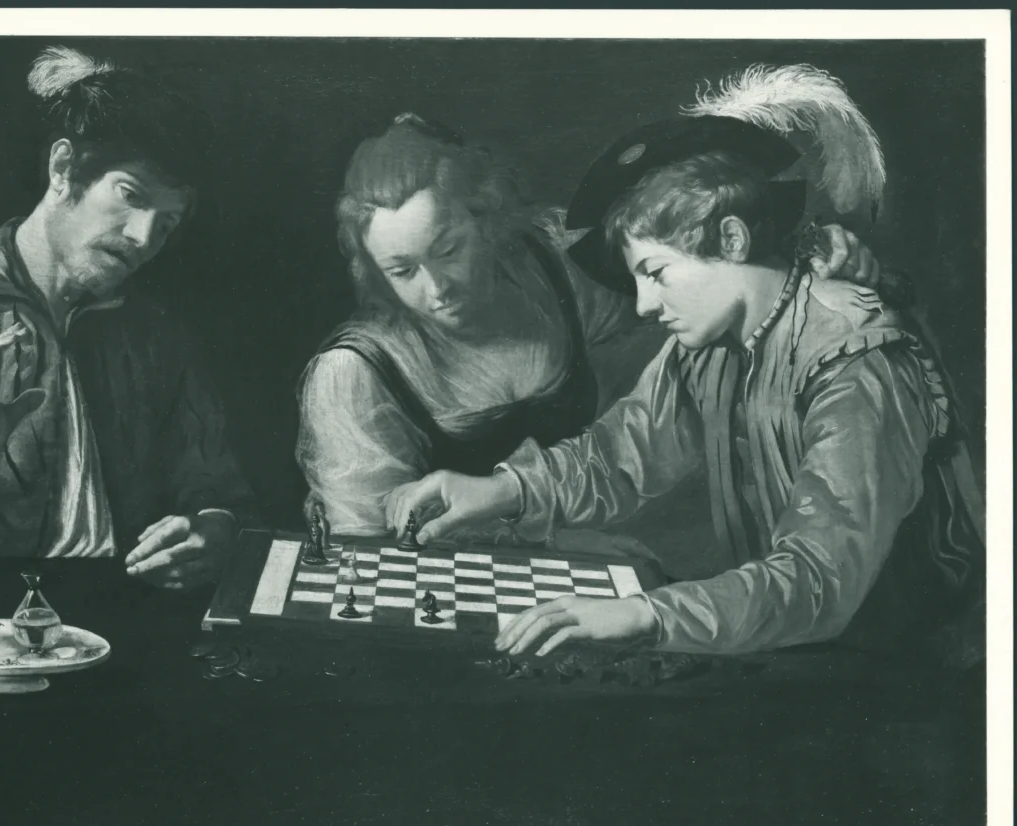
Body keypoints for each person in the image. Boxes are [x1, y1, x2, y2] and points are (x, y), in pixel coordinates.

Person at [383, 64, 984, 667]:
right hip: (791, 651)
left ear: (731, 240)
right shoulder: (710, 347)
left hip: (909, 672)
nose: (644, 305)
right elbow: (622, 454)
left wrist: (645, 613)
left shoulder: (858, 362)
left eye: (656, 273)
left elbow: (818, 581)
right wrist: (501, 490)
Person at [296, 112, 882, 551]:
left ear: (486, 220)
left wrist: (804, 253)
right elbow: (364, 555)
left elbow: (698, 269)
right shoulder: (352, 375)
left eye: (448, 250)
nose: (436, 287)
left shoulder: (551, 265)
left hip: (579, 559)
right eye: (402, 271)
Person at [0, 46, 256, 590]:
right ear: (62, 168)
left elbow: (216, 487)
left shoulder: (157, 336)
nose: (143, 239)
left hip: (128, 612)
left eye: (166, 224)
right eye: (130, 195)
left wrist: (214, 528)